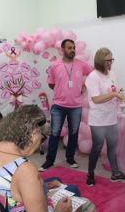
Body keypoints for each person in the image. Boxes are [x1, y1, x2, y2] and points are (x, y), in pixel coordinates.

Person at [0, 105, 79, 212]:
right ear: (33, 135)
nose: (41, 141)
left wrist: (40, 186)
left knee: (57, 182)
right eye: (42, 137)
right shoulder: (25, 169)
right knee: (73, 190)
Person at [39, 39, 92, 171]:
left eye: (73, 47)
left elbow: (92, 74)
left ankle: (70, 158)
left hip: (76, 106)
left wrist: (85, 86)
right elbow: (51, 83)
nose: (72, 50)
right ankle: (49, 161)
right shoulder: (54, 65)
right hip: (58, 105)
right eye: (69, 48)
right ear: (62, 50)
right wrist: (62, 90)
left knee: (73, 133)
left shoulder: (81, 64)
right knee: (55, 133)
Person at [84, 48, 125, 186]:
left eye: (111, 60)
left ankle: (115, 173)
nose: (110, 63)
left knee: (112, 147)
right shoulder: (93, 77)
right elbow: (96, 99)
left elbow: (114, 91)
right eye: (107, 60)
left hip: (111, 117)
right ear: (100, 61)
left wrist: (119, 97)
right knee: (97, 148)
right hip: (98, 120)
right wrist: (114, 95)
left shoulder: (112, 74)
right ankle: (90, 174)